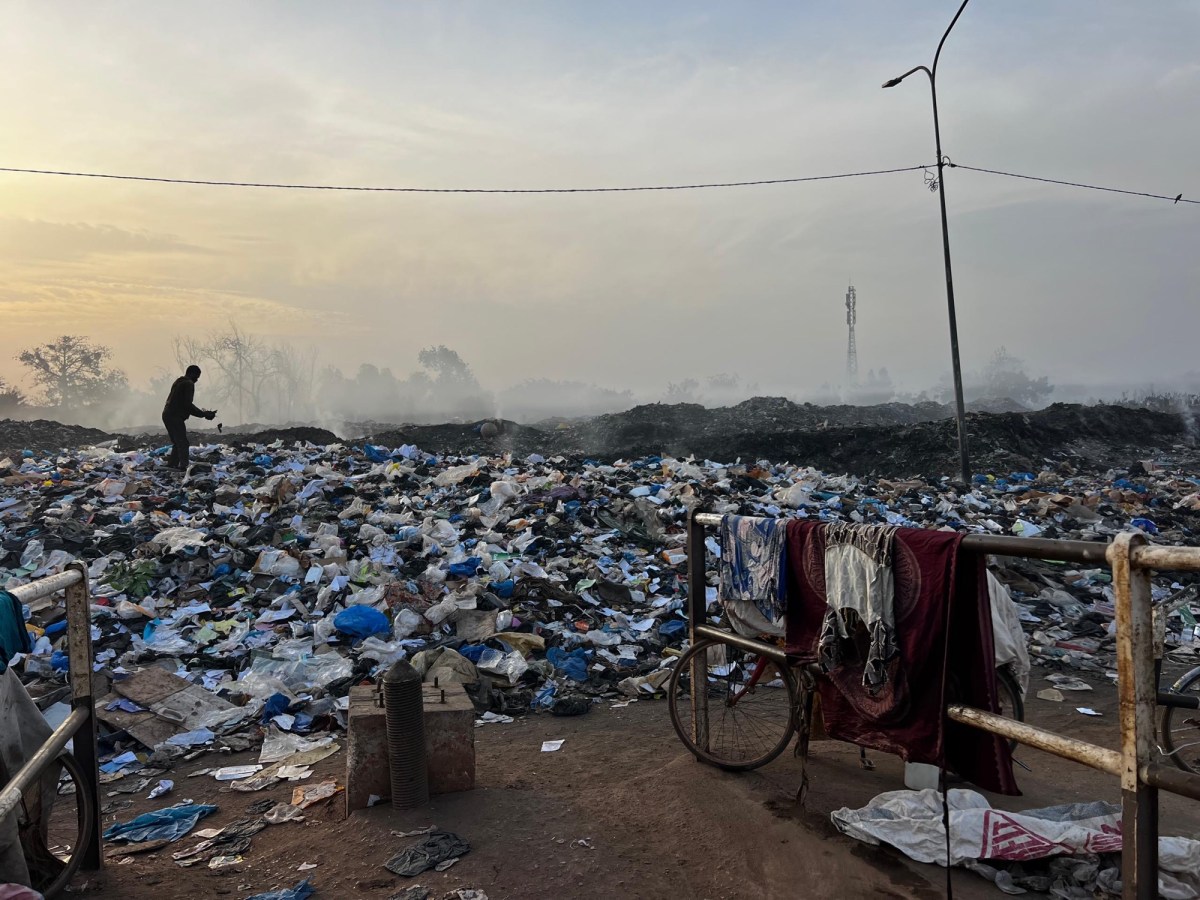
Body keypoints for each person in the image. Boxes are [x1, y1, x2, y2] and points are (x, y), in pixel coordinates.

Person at [162, 365, 216, 470]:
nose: (197, 380)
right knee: (183, 442)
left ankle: (172, 464)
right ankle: (184, 467)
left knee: (177, 442)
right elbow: (187, 405)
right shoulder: (188, 384)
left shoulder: (178, 381)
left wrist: (202, 413)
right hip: (174, 416)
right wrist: (204, 414)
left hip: (167, 414)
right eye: (196, 376)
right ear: (191, 374)